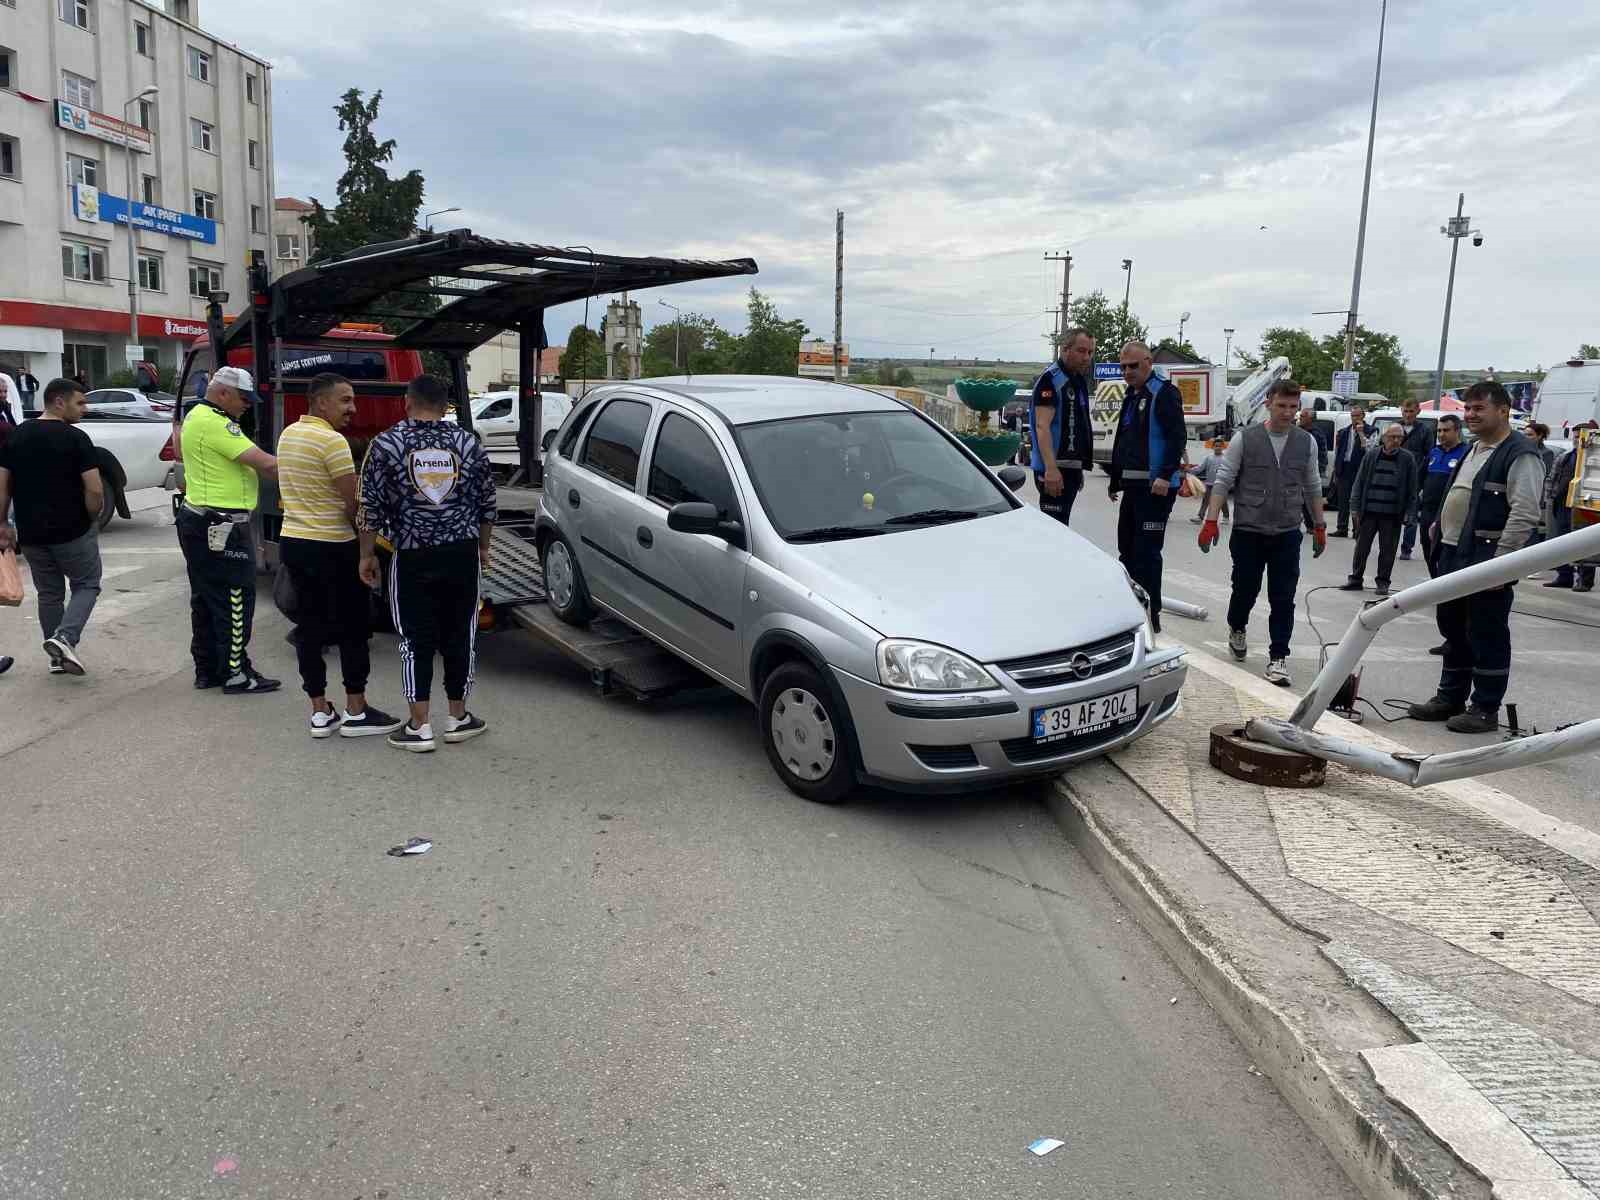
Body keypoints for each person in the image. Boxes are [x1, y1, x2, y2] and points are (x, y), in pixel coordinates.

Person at [357, 374, 497, 752]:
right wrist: (483, 548)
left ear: (407, 400)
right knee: (459, 633)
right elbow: (487, 502)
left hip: (412, 553)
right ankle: (458, 717)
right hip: (462, 552)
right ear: (446, 404)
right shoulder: (469, 443)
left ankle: (419, 725)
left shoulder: (386, 444)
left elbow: (369, 506)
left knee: (415, 638)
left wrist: (367, 554)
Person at [1408, 381, 1545, 734]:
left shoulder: (1521, 453)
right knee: (1453, 627)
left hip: (1487, 560)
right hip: (1453, 554)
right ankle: (1450, 697)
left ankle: (1484, 707)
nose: (1470, 415)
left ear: (1503, 411)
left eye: (1478, 409)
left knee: (1486, 632)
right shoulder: (1474, 448)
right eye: (1467, 409)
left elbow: (1525, 513)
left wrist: (1502, 564)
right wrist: (1440, 525)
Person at [276, 372, 405, 739]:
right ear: (321, 402)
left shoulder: (289, 435)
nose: (353, 408)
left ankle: (319, 710)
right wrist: (370, 550)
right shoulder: (332, 442)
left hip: (295, 542)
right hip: (333, 545)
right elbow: (355, 505)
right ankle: (356, 709)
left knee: (310, 627)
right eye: (345, 400)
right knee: (353, 626)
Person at [1198, 379, 1326, 687]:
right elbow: (1224, 480)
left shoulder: (1305, 442)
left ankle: (1278, 657)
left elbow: (1312, 486)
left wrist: (1319, 526)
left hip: (1286, 532)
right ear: (1268, 403)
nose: (1288, 413)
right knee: (1245, 590)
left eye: (1293, 407)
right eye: (1282, 405)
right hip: (1248, 531)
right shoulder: (1246, 439)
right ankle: (1237, 626)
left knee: (1283, 598)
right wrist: (1211, 521)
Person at [176, 366, 281, 694]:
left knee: (207, 598)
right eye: (244, 398)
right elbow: (266, 463)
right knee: (236, 597)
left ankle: (207, 668)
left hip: (200, 520)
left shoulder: (197, 416)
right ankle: (236, 673)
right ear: (223, 393)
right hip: (220, 525)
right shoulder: (216, 423)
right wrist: (310, 472)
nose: (248, 404)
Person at [0, 378, 103, 674]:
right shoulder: (76, 438)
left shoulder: (17, 436)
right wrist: (91, 518)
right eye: (80, 402)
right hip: (72, 530)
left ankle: (57, 658)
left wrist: (2, 522)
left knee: (49, 593)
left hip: (31, 533)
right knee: (87, 583)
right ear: (59, 402)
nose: (85, 408)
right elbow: (95, 490)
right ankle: (65, 639)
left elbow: (2, 485)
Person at [1108, 341, 1187, 632]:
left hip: (1156, 487)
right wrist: (1115, 479)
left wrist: (1166, 475)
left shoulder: (1164, 393)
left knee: (1147, 554)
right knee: (1126, 550)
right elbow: (1123, 439)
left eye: (1134, 366)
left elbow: (1176, 437)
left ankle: (1152, 616)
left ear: (1149, 362)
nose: (1128, 372)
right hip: (1132, 485)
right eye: (1123, 367)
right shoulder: (1131, 395)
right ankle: (1131, 609)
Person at [1338, 423, 1418, 597]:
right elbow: (1359, 482)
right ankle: (1355, 579)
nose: (1395, 440)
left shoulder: (1408, 459)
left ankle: (1383, 582)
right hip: (1368, 511)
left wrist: (1410, 513)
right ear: (1384, 437)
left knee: (1387, 550)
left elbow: (1413, 489)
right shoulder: (1372, 455)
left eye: (1399, 437)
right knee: (1361, 548)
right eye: (1392, 436)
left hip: (1392, 514)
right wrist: (1354, 507)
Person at [1028, 328, 1095, 526]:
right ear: (1065, 350)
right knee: (1053, 530)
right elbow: (1042, 426)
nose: (1087, 357)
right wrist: (1050, 469)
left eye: (1090, 352)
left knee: (1062, 526)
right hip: (1054, 470)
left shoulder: (1078, 380)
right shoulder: (1051, 380)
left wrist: (1078, 466)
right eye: (1081, 351)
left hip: (1070, 469)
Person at [1544, 421, 1598, 592]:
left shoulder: (1593, 457)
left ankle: (1584, 580)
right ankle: (1564, 576)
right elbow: (1552, 479)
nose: (1577, 440)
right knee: (1561, 542)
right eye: (1575, 436)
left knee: (1584, 544)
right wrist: (1549, 499)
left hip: (1584, 505)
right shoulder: (1566, 456)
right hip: (1562, 505)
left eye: (1580, 436)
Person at [1394, 399, 1436, 560]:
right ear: (1401, 411)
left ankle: (1407, 548)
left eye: (1411, 411)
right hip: (1394, 477)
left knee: (1411, 516)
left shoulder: (1425, 431)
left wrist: (1424, 481)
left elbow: (1429, 455)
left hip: (1415, 480)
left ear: (1418, 412)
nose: (1408, 414)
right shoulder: (1394, 428)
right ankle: (1390, 544)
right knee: (1392, 514)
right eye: (1405, 411)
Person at [1329, 404, 1370, 537]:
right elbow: (1339, 452)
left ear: (1363, 416)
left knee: (1356, 500)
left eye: (1358, 415)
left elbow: (1369, 450)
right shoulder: (1344, 432)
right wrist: (1336, 471)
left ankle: (1357, 530)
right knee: (1343, 500)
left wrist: (1361, 433)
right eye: (1353, 415)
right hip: (1344, 468)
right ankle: (1342, 528)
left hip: (1359, 468)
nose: (1355, 418)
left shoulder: (1371, 430)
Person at [1187, 439, 1229, 524]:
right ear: (1213, 447)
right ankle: (1200, 517)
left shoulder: (1226, 459)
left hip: (1221, 484)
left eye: (1220, 446)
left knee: (1222, 501)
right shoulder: (1209, 458)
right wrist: (1190, 470)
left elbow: (1229, 471)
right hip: (1209, 484)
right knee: (1205, 500)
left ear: (1223, 447)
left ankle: (1226, 517)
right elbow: (1200, 468)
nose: (1218, 448)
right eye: (1216, 446)